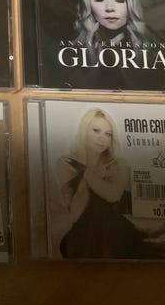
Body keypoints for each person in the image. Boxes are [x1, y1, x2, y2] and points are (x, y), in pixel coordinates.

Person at [57, 108, 156, 258]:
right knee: (95, 211)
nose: (102, 138)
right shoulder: (66, 163)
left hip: (117, 234)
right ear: (84, 132)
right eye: (96, 131)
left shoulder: (120, 164)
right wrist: (93, 177)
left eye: (108, 134)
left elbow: (112, 196)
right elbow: (76, 212)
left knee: (102, 210)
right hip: (84, 232)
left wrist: (86, 172)